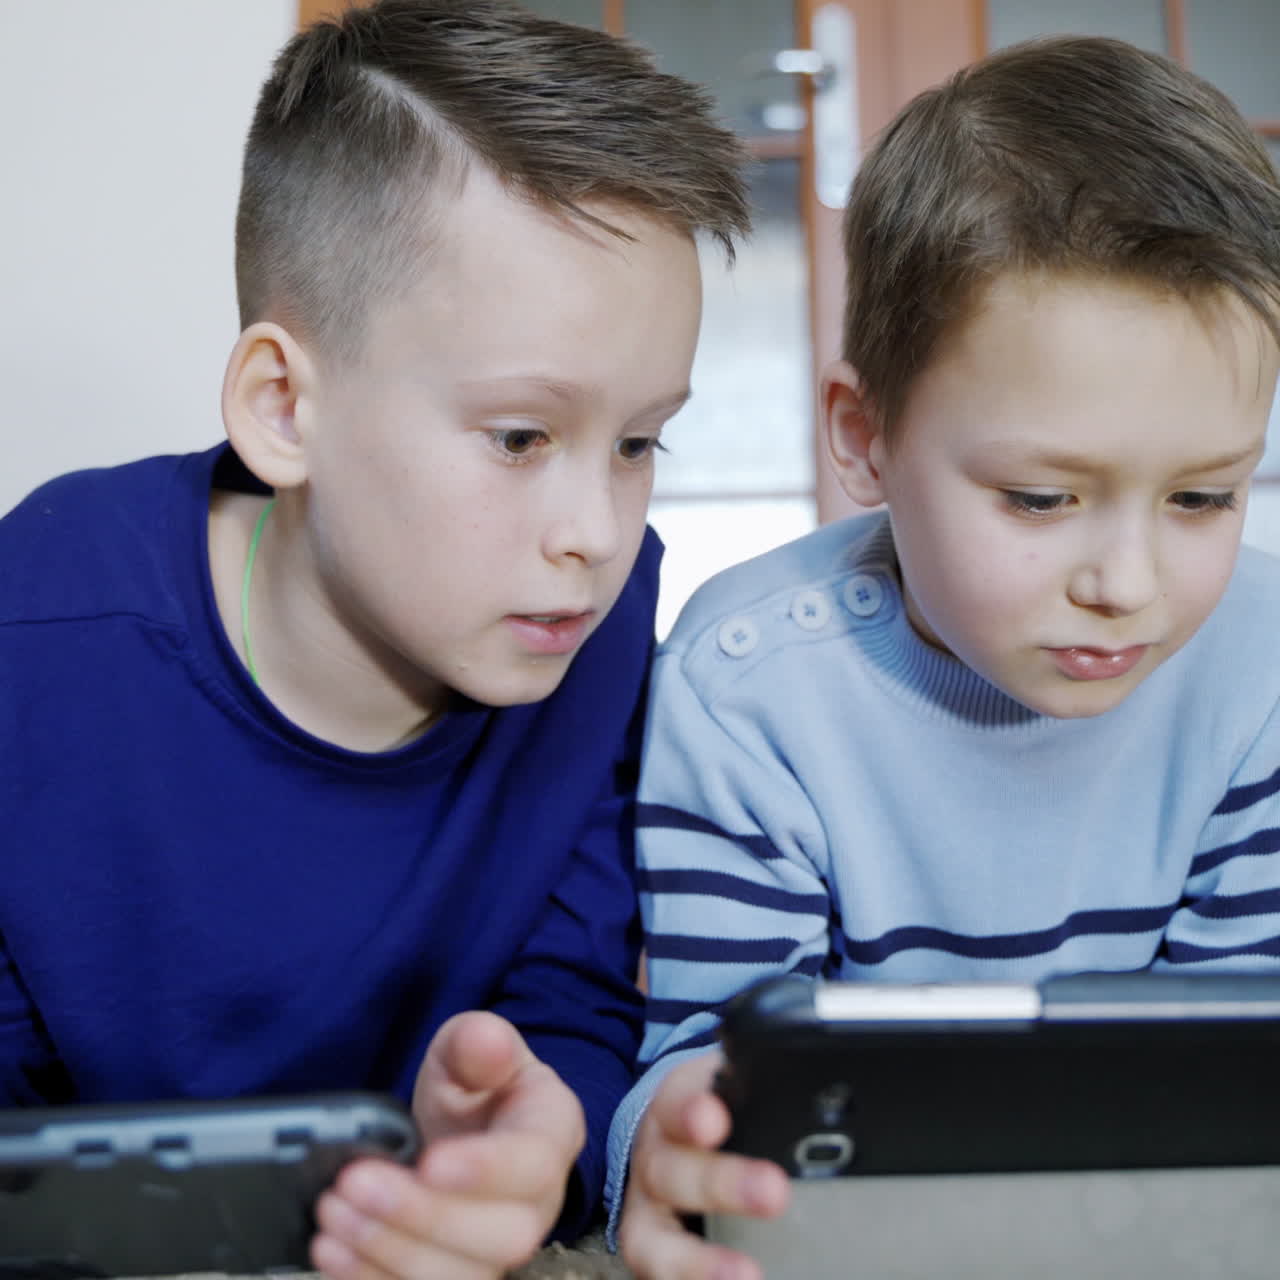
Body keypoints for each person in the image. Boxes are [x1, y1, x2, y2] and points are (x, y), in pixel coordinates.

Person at [0, 1, 750, 1276]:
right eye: (520, 436)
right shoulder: (42, 631)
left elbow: (570, 993)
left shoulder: (597, 619)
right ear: (285, 406)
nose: (596, 529)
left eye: (638, 442)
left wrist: (541, 1136)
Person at [607, 34, 1280, 1280]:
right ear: (863, 440)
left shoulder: (1259, 668)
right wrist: (672, 1136)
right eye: (1037, 498)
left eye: (1200, 498)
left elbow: (1230, 1061)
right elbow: (707, 1051)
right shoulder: (746, 691)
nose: (1124, 584)